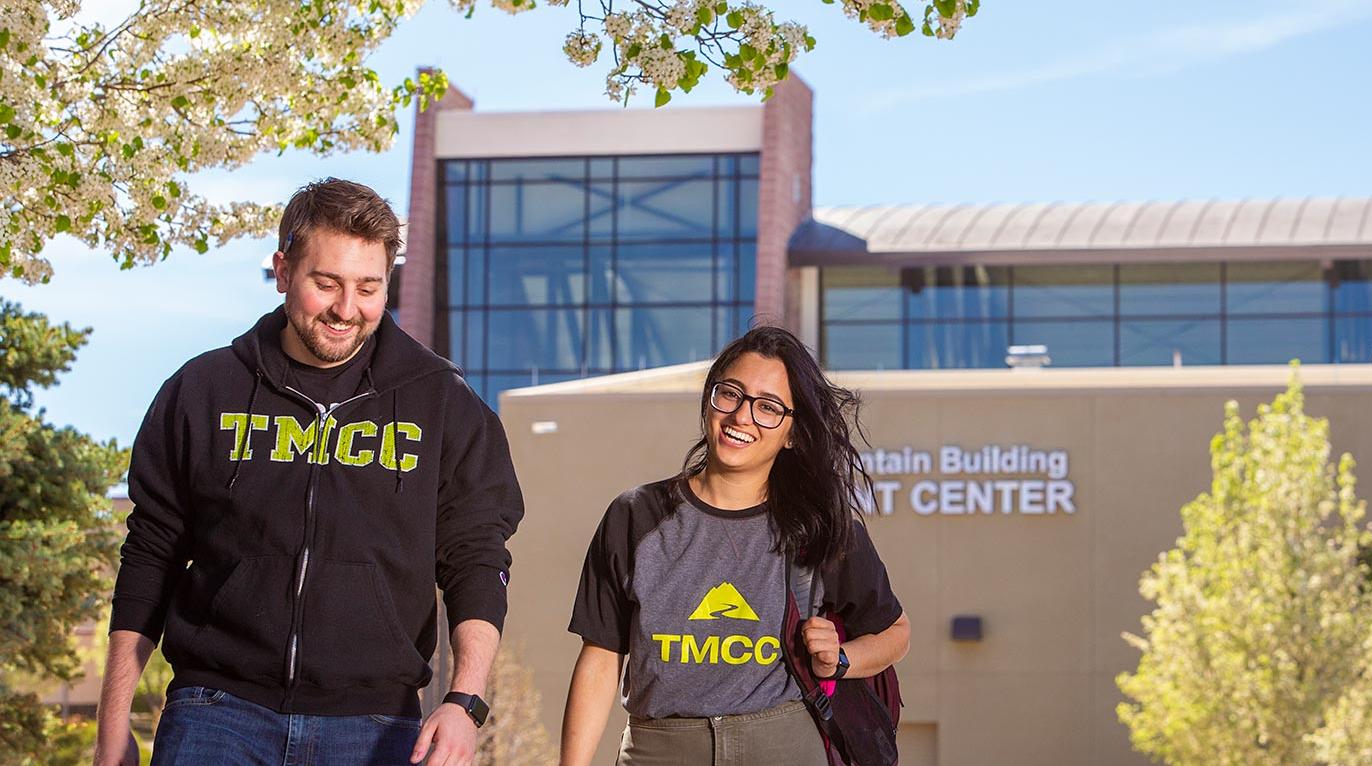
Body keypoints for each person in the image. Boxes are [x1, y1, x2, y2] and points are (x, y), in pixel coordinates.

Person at [92, 178, 524, 766]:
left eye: (369, 288)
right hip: (216, 713)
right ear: (282, 270)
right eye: (327, 284)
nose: (348, 309)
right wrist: (112, 721)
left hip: (375, 725)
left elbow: (476, 557)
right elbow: (150, 553)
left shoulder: (443, 404)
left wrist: (464, 701)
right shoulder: (204, 390)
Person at [560, 325, 911, 765]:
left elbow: (896, 634)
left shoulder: (818, 526)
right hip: (658, 750)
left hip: (784, 747)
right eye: (731, 394)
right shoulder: (636, 516)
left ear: (792, 433)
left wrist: (841, 659)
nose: (742, 416)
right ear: (709, 399)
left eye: (768, 407)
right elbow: (601, 656)